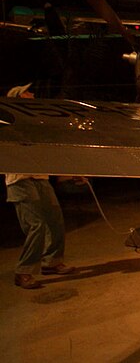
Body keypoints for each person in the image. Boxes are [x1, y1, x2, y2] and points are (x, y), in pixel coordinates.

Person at [5, 82, 80, 289]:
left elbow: (48, 154)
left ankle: (51, 262)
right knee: (36, 225)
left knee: (55, 219)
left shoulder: (35, 123)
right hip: (20, 180)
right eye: (28, 92)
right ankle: (23, 271)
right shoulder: (10, 124)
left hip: (40, 178)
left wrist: (70, 173)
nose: (33, 93)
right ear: (18, 98)